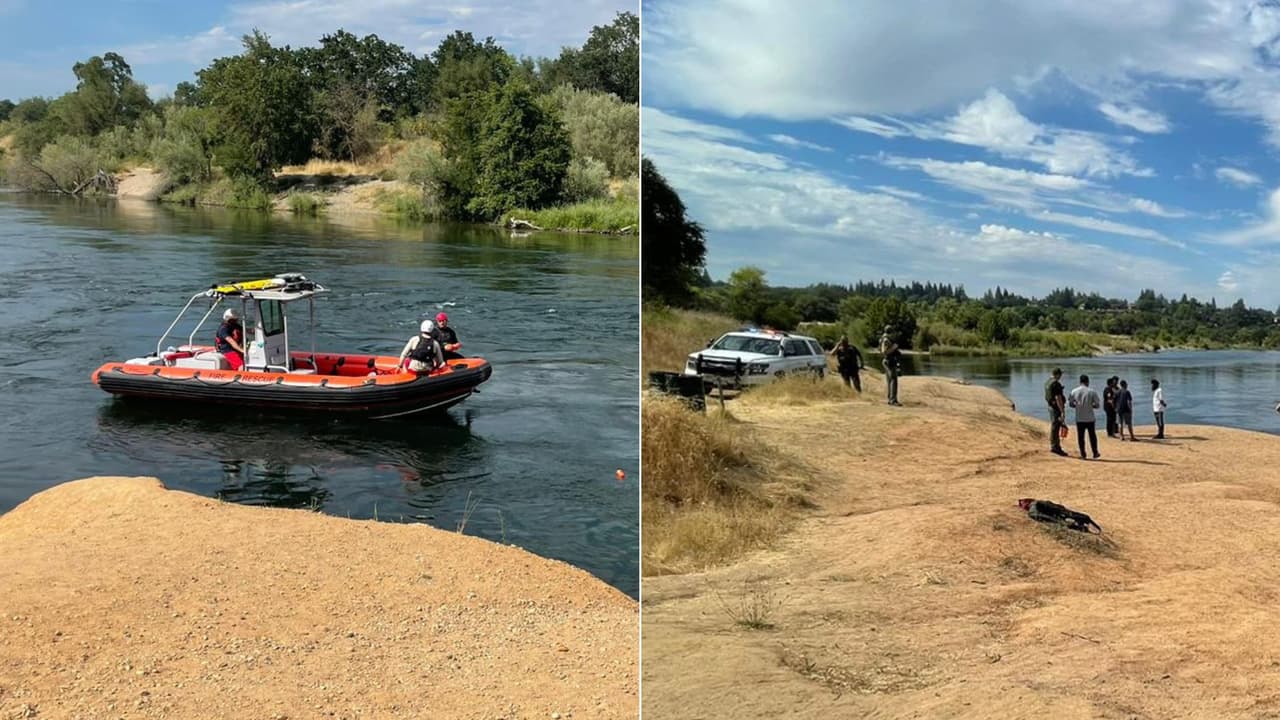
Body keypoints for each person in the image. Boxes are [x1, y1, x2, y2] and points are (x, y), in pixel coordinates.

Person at [1068, 374, 1102, 460]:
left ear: (1080, 381)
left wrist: (1077, 405)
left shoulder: (1074, 391)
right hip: (1090, 417)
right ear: (1087, 381)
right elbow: (1097, 405)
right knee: (1092, 436)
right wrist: (1091, 405)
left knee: (1081, 437)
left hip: (1079, 418)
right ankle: (1095, 452)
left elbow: (1071, 404)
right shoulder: (1092, 391)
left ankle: (1083, 454)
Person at [1044, 368, 1068, 457]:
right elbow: (1058, 398)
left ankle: (1054, 445)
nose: (1061, 376)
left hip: (1050, 406)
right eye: (1060, 374)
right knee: (1056, 427)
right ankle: (1055, 447)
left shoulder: (1048, 382)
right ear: (1057, 374)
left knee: (1054, 426)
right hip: (1055, 408)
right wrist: (1062, 411)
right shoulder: (1056, 384)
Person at [879, 326, 902, 406]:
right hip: (888, 361)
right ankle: (893, 400)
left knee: (890, 380)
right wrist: (894, 347)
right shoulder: (885, 339)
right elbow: (884, 352)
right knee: (893, 380)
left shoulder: (885, 338)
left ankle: (890, 399)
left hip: (889, 361)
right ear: (890, 332)